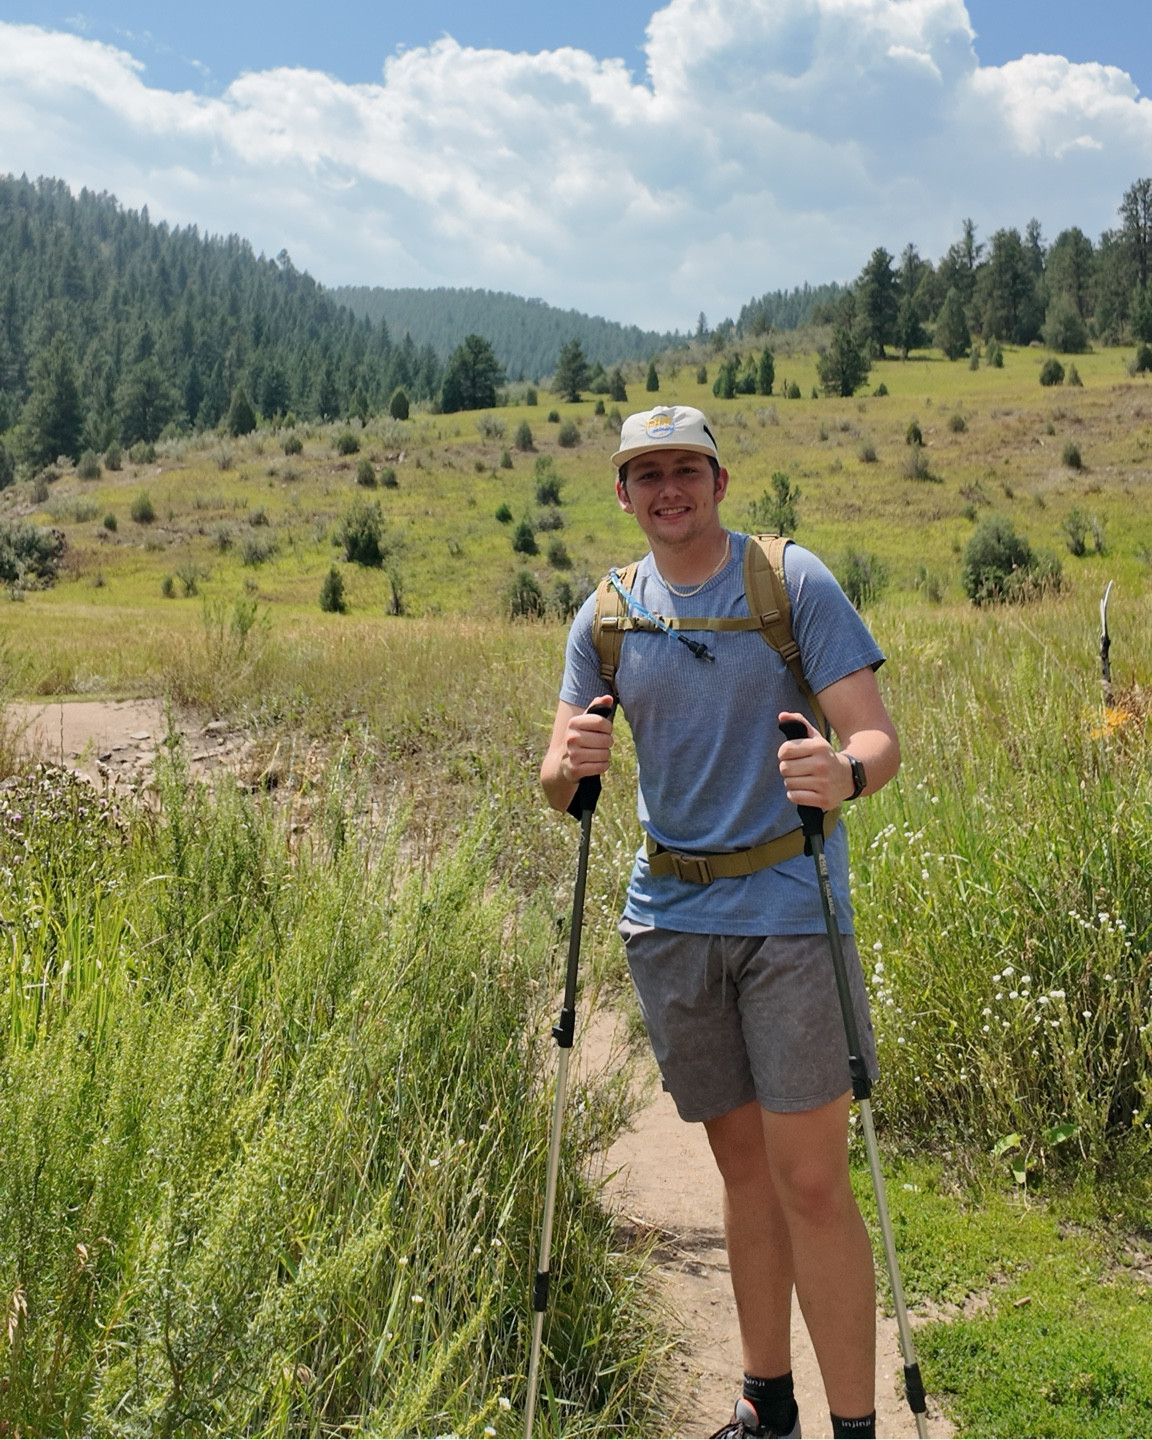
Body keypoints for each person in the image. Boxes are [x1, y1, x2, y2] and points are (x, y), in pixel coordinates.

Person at [540, 405, 901, 1440]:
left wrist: (845, 774)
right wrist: (571, 768)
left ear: (719, 479)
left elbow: (874, 736)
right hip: (670, 921)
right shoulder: (604, 617)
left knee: (812, 1182)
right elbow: (557, 783)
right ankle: (767, 1404)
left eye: (684, 469)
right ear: (622, 493)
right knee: (743, 1171)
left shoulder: (792, 583)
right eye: (645, 473)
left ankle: (856, 1427)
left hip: (791, 913)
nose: (667, 489)